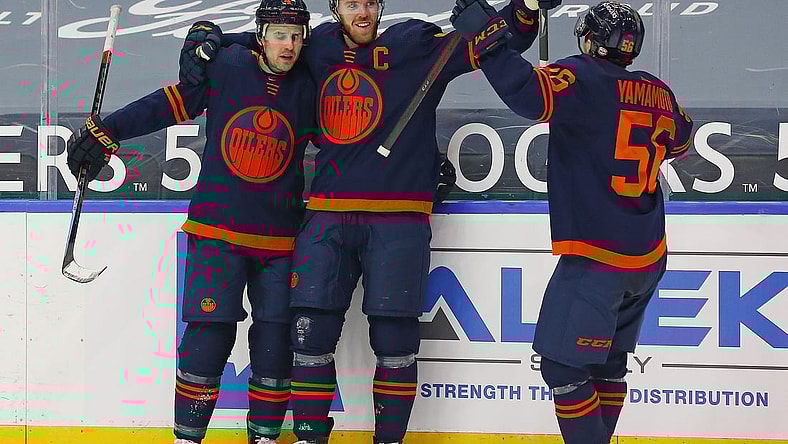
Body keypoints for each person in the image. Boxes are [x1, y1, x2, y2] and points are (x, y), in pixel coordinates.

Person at [177, 0, 561, 442]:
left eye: (369, 3)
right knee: (308, 334)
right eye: (351, 4)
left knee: (396, 342)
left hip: (398, 219)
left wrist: (527, 6)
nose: (362, 13)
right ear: (336, 8)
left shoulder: (415, 43)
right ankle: (308, 437)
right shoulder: (315, 44)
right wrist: (209, 37)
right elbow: (269, 45)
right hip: (327, 216)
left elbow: (500, 40)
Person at [65, 1, 317, 443]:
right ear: (261, 34)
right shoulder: (228, 68)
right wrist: (108, 131)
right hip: (216, 231)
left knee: (275, 343)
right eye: (279, 34)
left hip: (281, 239)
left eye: (296, 35)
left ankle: (264, 437)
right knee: (209, 334)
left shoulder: (312, 82)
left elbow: (350, 141)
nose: (289, 45)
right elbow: (170, 104)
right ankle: (187, 438)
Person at [450, 1, 694, 443]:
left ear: (590, 39)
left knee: (562, 365)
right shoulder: (659, 89)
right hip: (647, 255)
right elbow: (681, 137)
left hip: (598, 256)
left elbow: (527, 95)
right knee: (607, 363)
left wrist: (486, 40)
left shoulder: (581, 75)